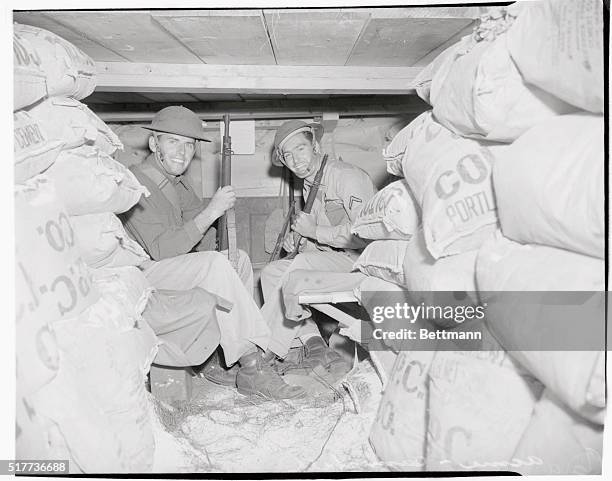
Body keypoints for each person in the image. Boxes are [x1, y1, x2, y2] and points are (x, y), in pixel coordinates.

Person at [121, 106, 304, 400]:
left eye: (189, 144)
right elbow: (163, 250)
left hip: (171, 267)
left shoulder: (177, 183)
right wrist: (212, 212)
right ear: (155, 144)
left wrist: (222, 236)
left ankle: (229, 356)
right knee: (215, 265)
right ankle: (251, 365)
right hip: (145, 275)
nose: (183, 152)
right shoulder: (136, 183)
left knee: (238, 260)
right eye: (173, 142)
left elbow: (205, 240)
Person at [260, 120, 377, 377]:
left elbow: (365, 235)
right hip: (334, 260)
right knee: (271, 273)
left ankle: (263, 351)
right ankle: (311, 344)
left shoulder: (347, 176)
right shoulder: (310, 183)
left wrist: (314, 232)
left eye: (300, 149)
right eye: (287, 155)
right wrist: (301, 241)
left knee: (298, 271)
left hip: (362, 264)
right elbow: (320, 241)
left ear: (315, 145)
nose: (295, 160)